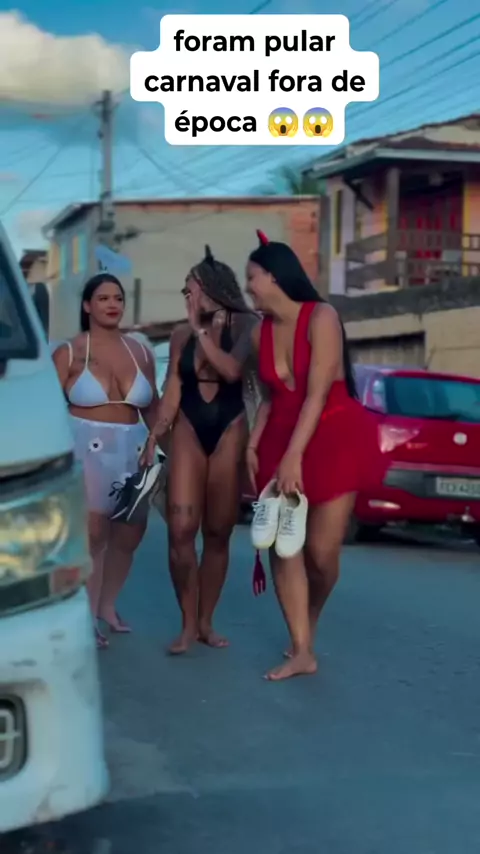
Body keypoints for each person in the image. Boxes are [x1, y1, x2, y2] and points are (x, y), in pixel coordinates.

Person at [246, 230, 387, 681]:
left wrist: (294, 456)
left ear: (273, 276)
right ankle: (302, 649)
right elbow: (270, 397)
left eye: (252, 277)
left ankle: (309, 617)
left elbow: (317, 392)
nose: (248, 286)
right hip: (279, 437)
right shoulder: (259, 333)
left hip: (332, 433)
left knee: (322, 555)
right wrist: (253, 444)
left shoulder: (322, 316)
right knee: (282, 545)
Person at [145, 245, 259, 655]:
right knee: (179, 530)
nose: (187, 297)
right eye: (185, 291)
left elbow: (231, 370)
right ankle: (187, 624)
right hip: (189, 426)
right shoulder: (180, 335)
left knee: (218, 531)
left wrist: (200, 330)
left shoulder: (248, 324)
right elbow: (173, 391)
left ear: (212, 288)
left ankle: (207, 620)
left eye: (190, 289)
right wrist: (154, 435)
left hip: (229, 426)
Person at [52, 273, 159, 649]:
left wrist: (162, 445)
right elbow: (48, 407)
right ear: (87, 306)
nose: (112, 304)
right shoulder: (69, 351)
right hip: (87, 445)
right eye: (103, 298)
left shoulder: (141, 352)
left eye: (118, 298)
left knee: (130, 532)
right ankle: (85, 616)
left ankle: (107, 605)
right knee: (94, 533)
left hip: (134, 447)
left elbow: (153, 406)